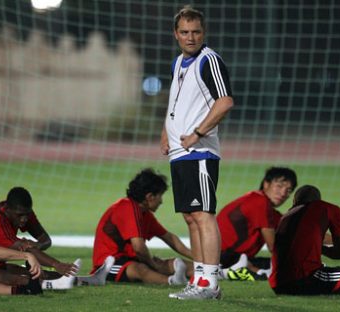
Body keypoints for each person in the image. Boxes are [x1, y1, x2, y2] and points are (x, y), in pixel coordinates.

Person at [160, 5, 234, 300]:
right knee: (191, 217)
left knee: (203, 215)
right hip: (179, 152)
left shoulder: (209, 60)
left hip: (199, 152)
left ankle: (210, 283)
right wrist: (166, 130)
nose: (191, 37)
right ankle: (199, 280)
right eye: (185, 32)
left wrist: (198, 133)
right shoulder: (179, 62)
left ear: (204, 33)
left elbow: (225, 101)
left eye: (196, 32)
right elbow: (177, 102)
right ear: (176, 34)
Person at [0, 187, 111, 290]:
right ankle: (52, 285)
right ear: (8, 209)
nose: (23, 219)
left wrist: (34, 247)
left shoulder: (22, 211)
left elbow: (45, 240)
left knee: (36, 274)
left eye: (26, 215)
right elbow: (22, 249)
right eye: (19, 215)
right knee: (9, 278)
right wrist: (55, 263)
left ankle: (91, 280)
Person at [92, 168, 192, 286]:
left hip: (130, 259)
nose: (161, 201)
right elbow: (139, 248)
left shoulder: (144, 213)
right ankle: (173, 281)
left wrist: (199, 258)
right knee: (141, 268)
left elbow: (170, 238)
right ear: (150, 196)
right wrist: (153, 265)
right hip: (108, 264)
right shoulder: (127, 208)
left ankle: (210, 270)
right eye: (160, 196)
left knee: (165, 263)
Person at [217, 167, 297, 281]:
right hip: (225, 257)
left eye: (288, 190)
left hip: (231, 257)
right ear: (266, 184)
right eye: (279, 186)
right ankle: (226, 272)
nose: (283, 193)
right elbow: (273, 246)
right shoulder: (260, 203)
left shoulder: (262, 205)